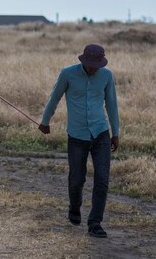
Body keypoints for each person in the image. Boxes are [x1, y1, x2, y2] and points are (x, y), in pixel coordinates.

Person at [38, 44, 120, 238]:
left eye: (96, 65)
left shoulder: (106, 76)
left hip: (100, 133)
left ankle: (95, 223)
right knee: (76, 179)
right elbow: (54, 97)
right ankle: (74, 207)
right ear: (83, 60)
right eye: (90, 64)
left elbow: (112, 104)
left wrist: (115, 133)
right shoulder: (67, 74)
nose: (93, 68)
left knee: (102, 180)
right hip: (77, 136)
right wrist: (45, 121)